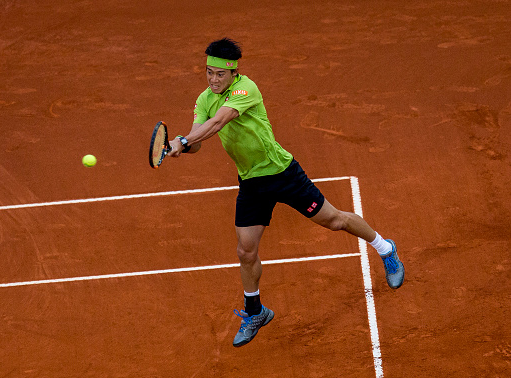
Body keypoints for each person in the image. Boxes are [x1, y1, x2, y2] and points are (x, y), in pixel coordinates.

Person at [167, 38, 404, 348]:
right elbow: (199, 141)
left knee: (335, 220)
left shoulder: (245, 89)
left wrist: (183, 140)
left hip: (282, 174)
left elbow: (219, 121)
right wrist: (180, 148)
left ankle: (385, 249)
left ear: (232, 73)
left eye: (219, 74)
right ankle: (256, 311)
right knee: (245, 250)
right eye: (208, 72)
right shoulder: (203, 100)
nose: (213, 79)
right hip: (251, 183)